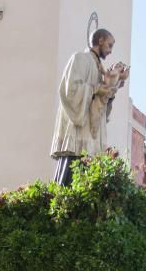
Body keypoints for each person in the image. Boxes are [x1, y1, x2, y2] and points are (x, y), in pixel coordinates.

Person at [50, 28, 130, 186]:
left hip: (91, 141)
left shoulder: (101, 71)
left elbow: (102, 113)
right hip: (78, 137)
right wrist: (96, 89)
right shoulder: (80, 58)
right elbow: (70, 89)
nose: (110, 51)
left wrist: (113, 86)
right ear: (100, 41)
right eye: (110, 45)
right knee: (69, 184)